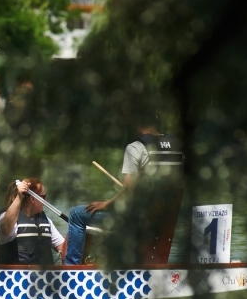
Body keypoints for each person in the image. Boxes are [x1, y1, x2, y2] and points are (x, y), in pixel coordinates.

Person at [64, 112, 184, 265]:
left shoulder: (135, 147)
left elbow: (128, 188)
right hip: (167, 219)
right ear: (156, 118)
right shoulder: (177, 146)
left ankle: (70, 271)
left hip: (138, 220)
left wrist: (107, 204)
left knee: (76, 215)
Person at [0, 179, 65, 265]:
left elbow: (64, 249)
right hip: (15, 276)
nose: (45, 201)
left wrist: (75, 228)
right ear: (32, 199)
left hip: (43, 277)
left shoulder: (46, 221)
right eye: (43, 196)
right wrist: (19, 197)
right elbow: (5, 228)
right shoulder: (6, 218)